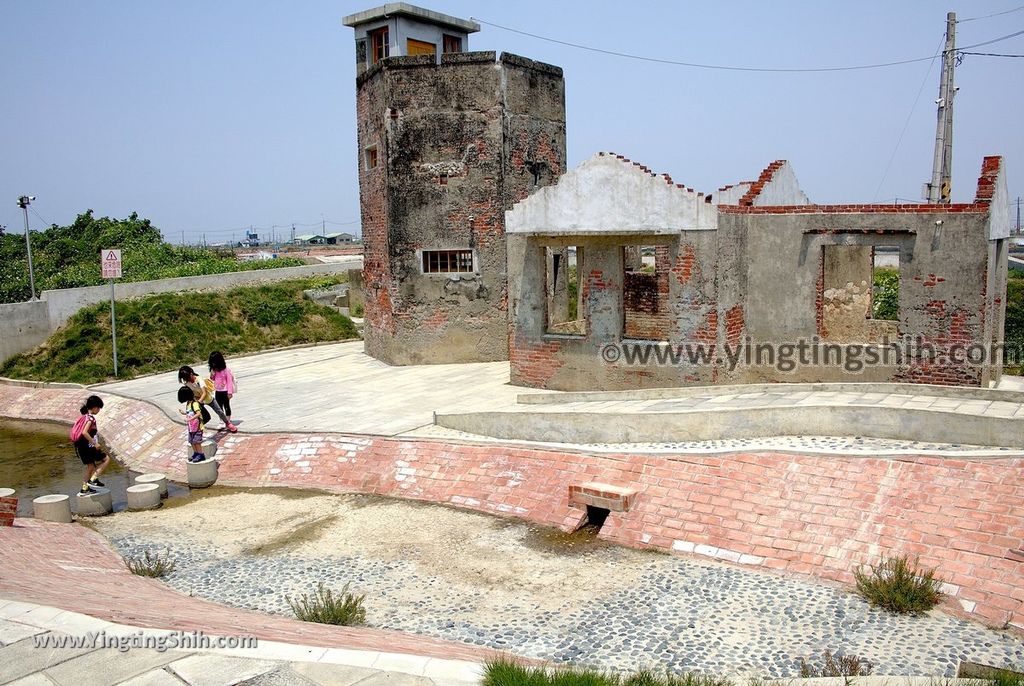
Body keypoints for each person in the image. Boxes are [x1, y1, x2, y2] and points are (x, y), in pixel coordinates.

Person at [73, 395, 110, 496]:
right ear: (94, 407)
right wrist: (95, 444)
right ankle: (93, 479)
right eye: (98, 408)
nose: (99, 410)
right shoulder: (90, 419)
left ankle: (85, 488)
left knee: (90, 467)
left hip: (81, 447)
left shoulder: (84, 417)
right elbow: (85, 432)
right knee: (106, 459)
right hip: (88, 447)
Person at [177, 365, 233, 432]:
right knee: (201, 415)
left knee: (219, 411)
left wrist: (199, 402)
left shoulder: (199, 380)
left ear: (191, 373)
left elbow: (204, 393)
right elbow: (191, 395)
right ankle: (197, 428)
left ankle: (228, 423)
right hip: (198, 401)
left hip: (208, 399)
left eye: (187, 377)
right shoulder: (187, 384)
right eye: (185, 379)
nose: (187, 380)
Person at [207, 351, 238, 433]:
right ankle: (222, 422)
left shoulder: (226, 370)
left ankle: (228, 421)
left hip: (225, 391)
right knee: (219, 408)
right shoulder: (214, 370)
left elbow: (229, 381)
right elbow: (212, 379)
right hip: (218, 391)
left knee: (226, 406)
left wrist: (230, 392)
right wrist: (212, 374)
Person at [177, 386, 206, 463]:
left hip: (197, 427)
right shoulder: (188, 404)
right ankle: (196, 453)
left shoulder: (194, 403)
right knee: (191, 441)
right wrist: (184, 413)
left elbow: (198, 413)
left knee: (197, 441)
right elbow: (190, 412)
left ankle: (200, 454)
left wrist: (190, 419)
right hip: (191, 427)